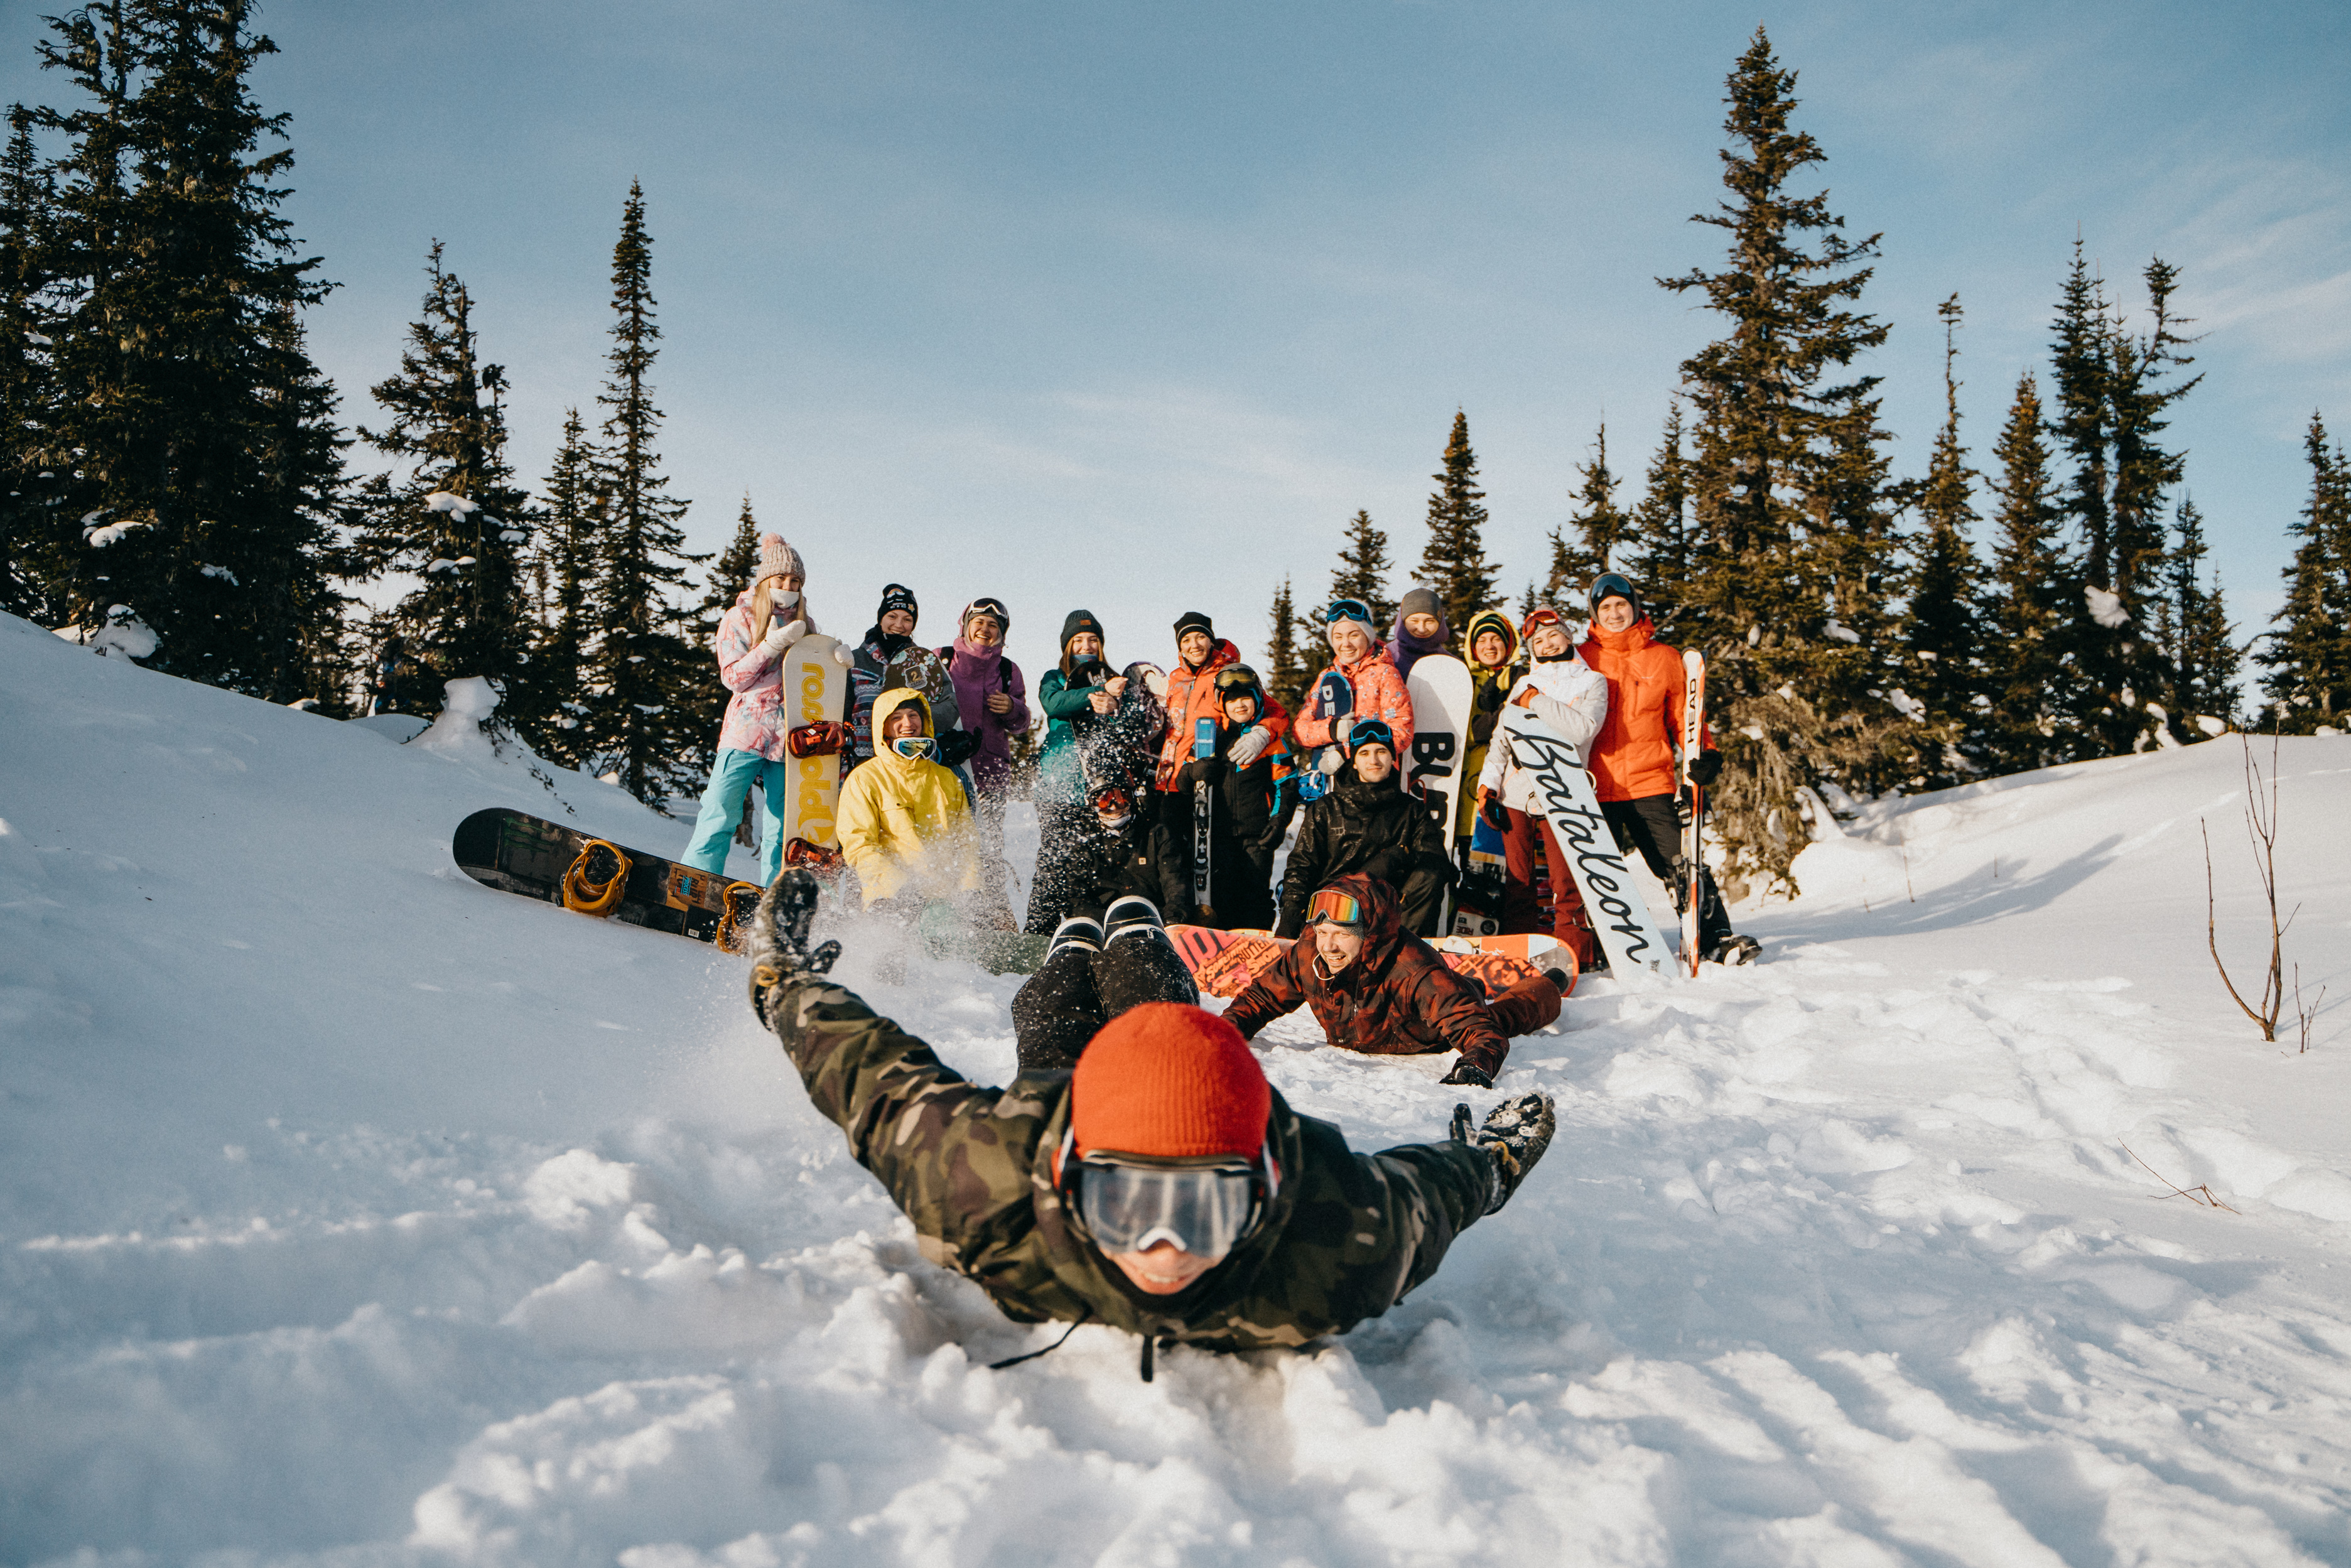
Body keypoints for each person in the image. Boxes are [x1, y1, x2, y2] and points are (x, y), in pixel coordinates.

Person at [745, 871, 1558, 1375]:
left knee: (1087, 1020)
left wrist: (1489, 1161)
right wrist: (783, 986)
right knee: (1059, 1015)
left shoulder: (1328, 1238)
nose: (1162, 1249)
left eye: (1203, 1208)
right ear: (1068, 1176)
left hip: (1186, 1073)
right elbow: (870, 1075)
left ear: (1267, 1188)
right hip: (1087, 1094)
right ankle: (1087, 950)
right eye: (1126, 1206)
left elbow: (1432, 1192)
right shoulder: (993, 1179)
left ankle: (1132, 936)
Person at [1228, 873, 1567, 1088]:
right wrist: (1224, 1032)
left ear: (1370, 935)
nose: (1328, 946)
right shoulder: (1308, 953)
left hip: (1427, 1031)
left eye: (1342, 935)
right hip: (1412, 1009)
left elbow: (1481, 1034)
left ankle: (1550, 984)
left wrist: (1475, 1066)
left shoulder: (1415, 972)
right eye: (1322, 932)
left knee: (1505, 1015)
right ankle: (1472, 985)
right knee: (1462, 991)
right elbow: (1260, 1000)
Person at [1578, 573, 1758, 965]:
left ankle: (1716, 937)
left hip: (1649, 781)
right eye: (1605, 607)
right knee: (1593, 875)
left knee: (1680, 862)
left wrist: (1705, 755)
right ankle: (1597, 948)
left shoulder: (1664, 658)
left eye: (1621, 605)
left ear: (1635, 607)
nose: (1614, 614)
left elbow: (1686, 719)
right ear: (1594, 613)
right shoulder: (1580, 657)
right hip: (1591, 784)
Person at [682, 533, 851, 884]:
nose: (787, 586)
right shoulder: (739, 617)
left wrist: (835, 662)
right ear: (765, 580)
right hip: (746, 732)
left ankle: (773, 897)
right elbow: (733, 678)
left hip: (790, 741)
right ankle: (695, 882)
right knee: (719, 812)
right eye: (781, 578)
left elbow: (815, 683)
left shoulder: (807, 625)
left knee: (783, 827)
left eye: (795, 581)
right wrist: (770, 645)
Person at [1473, 605, 1609, 971]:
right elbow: (1501, 739)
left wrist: (1537, 701)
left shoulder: (1591, 681)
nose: (1548, 644)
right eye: (1539, 640)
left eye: (1554, 635)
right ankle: (1519, 956)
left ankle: (1576, 957)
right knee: (1519, 883)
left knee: (1567, 882)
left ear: (1568, 636)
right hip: (1517, 791)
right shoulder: (1522, 683)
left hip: (1565, 790)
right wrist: (1488, 786)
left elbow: (1582, 730)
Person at [1277, 717, 1452, 939]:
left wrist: (1393, 860)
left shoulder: (1412, 810)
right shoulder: (1327, 808)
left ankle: (1408, 954)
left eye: (1381, 752)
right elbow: (1302, 866)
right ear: (1354, 761)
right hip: (1334, 910)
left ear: (1392, 758)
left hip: (1388, 914)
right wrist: (1291, 918)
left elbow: (1435, 861)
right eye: (1365, 753)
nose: (1374, 760)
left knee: (1430, 875)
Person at [1166, 664, 1297, 931]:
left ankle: (1256, 946)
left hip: (1256, 835)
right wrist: (1194, 771)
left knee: (1255, 896)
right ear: (1221, 703)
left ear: (1258, 698)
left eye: (1245, 697)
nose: (1239, 705)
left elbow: (1287, 784)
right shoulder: (1209, 738)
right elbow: (1182, 781)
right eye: (1232, 699)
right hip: (1216, 836)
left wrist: (1279, 820)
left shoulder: (1269, 742)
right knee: (1220, 897)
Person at [1026, 610, 1129, 934]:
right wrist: (1095, 695)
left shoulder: (1113, 680)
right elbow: (1054, 704)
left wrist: (1116, 707)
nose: (1086, 646)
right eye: (1079, 640)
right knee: (1055, 862)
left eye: (1093, 640)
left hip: (1099, 788)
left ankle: (1081, 929)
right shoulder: (1053, 677)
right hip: (1059, 786)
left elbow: (1127, 730)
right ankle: (1038, 932)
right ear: (1067, 646)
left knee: (1092, 866)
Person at [1150, 611, 1289, 845]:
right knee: (1171, 858)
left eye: (1200, 637)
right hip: (1170, 783)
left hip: (1206, 782)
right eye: (1186, 640)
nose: (1194, 645)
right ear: (1180, 648)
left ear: (1211, 640)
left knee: (1202, 860)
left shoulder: (1227, 675)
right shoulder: (1175, 680)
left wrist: (1261, 734)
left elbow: (1276, 712)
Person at [834, 689, 979, 912]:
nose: (907, 723)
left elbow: (966, 840)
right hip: (891, 901)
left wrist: (971, 888)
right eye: (896, 718)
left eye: (913, 715)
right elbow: (859, 845)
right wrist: (898, 887)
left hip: (945, 904)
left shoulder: (946, 778)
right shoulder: (866, 779)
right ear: (883, 726)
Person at [941, 597, 1030, 929]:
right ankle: (948, 914)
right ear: (965, 625)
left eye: (994, 626)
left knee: (990, 844)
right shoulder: (942, 659)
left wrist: (1012, 708)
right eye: (979, 622)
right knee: (948, 841)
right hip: (947, 770)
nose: (985, 629)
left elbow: (1022, 724)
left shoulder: (1008, 670)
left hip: (991, 772)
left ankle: (994, 916)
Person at [846, 584, 976, 772]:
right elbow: (840, 709)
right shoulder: (855, 660)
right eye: (892, 616)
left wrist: (916, 719)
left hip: (910, 760)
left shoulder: (925, 663)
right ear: (880, 618)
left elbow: (950, 706)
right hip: (862, 759)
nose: (899, 625)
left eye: (907, 619)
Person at [1290, 598, 1413, 785]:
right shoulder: (1327, 677)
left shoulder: (1385, 674)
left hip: (1376, 781)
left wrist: (1347, 752)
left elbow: (1401, 731)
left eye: (1354, 635)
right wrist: (1332, 730)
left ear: (1367, 636)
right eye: (1338, 637)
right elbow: (1300, 730)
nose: (1346, 643)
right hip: (1335, 783)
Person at [1454, 608, 1523, 843]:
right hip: (1466, 778)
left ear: (1508, 643)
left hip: (1510, 776)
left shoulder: (1522, 677)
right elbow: (1460, 730)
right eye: (1482, 640)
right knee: (1468, 842)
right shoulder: (1462, 679)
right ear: (1473, 647)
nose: (1489, 646)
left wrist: (1480, 728)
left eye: (1496, 639)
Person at [1386, 587, 1452, 683]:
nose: (1422, 629)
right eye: (1414, 621)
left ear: (1440, 623)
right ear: (1402, 622)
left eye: (1430, 621)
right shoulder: (1383, 657)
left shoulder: (1452, 666)